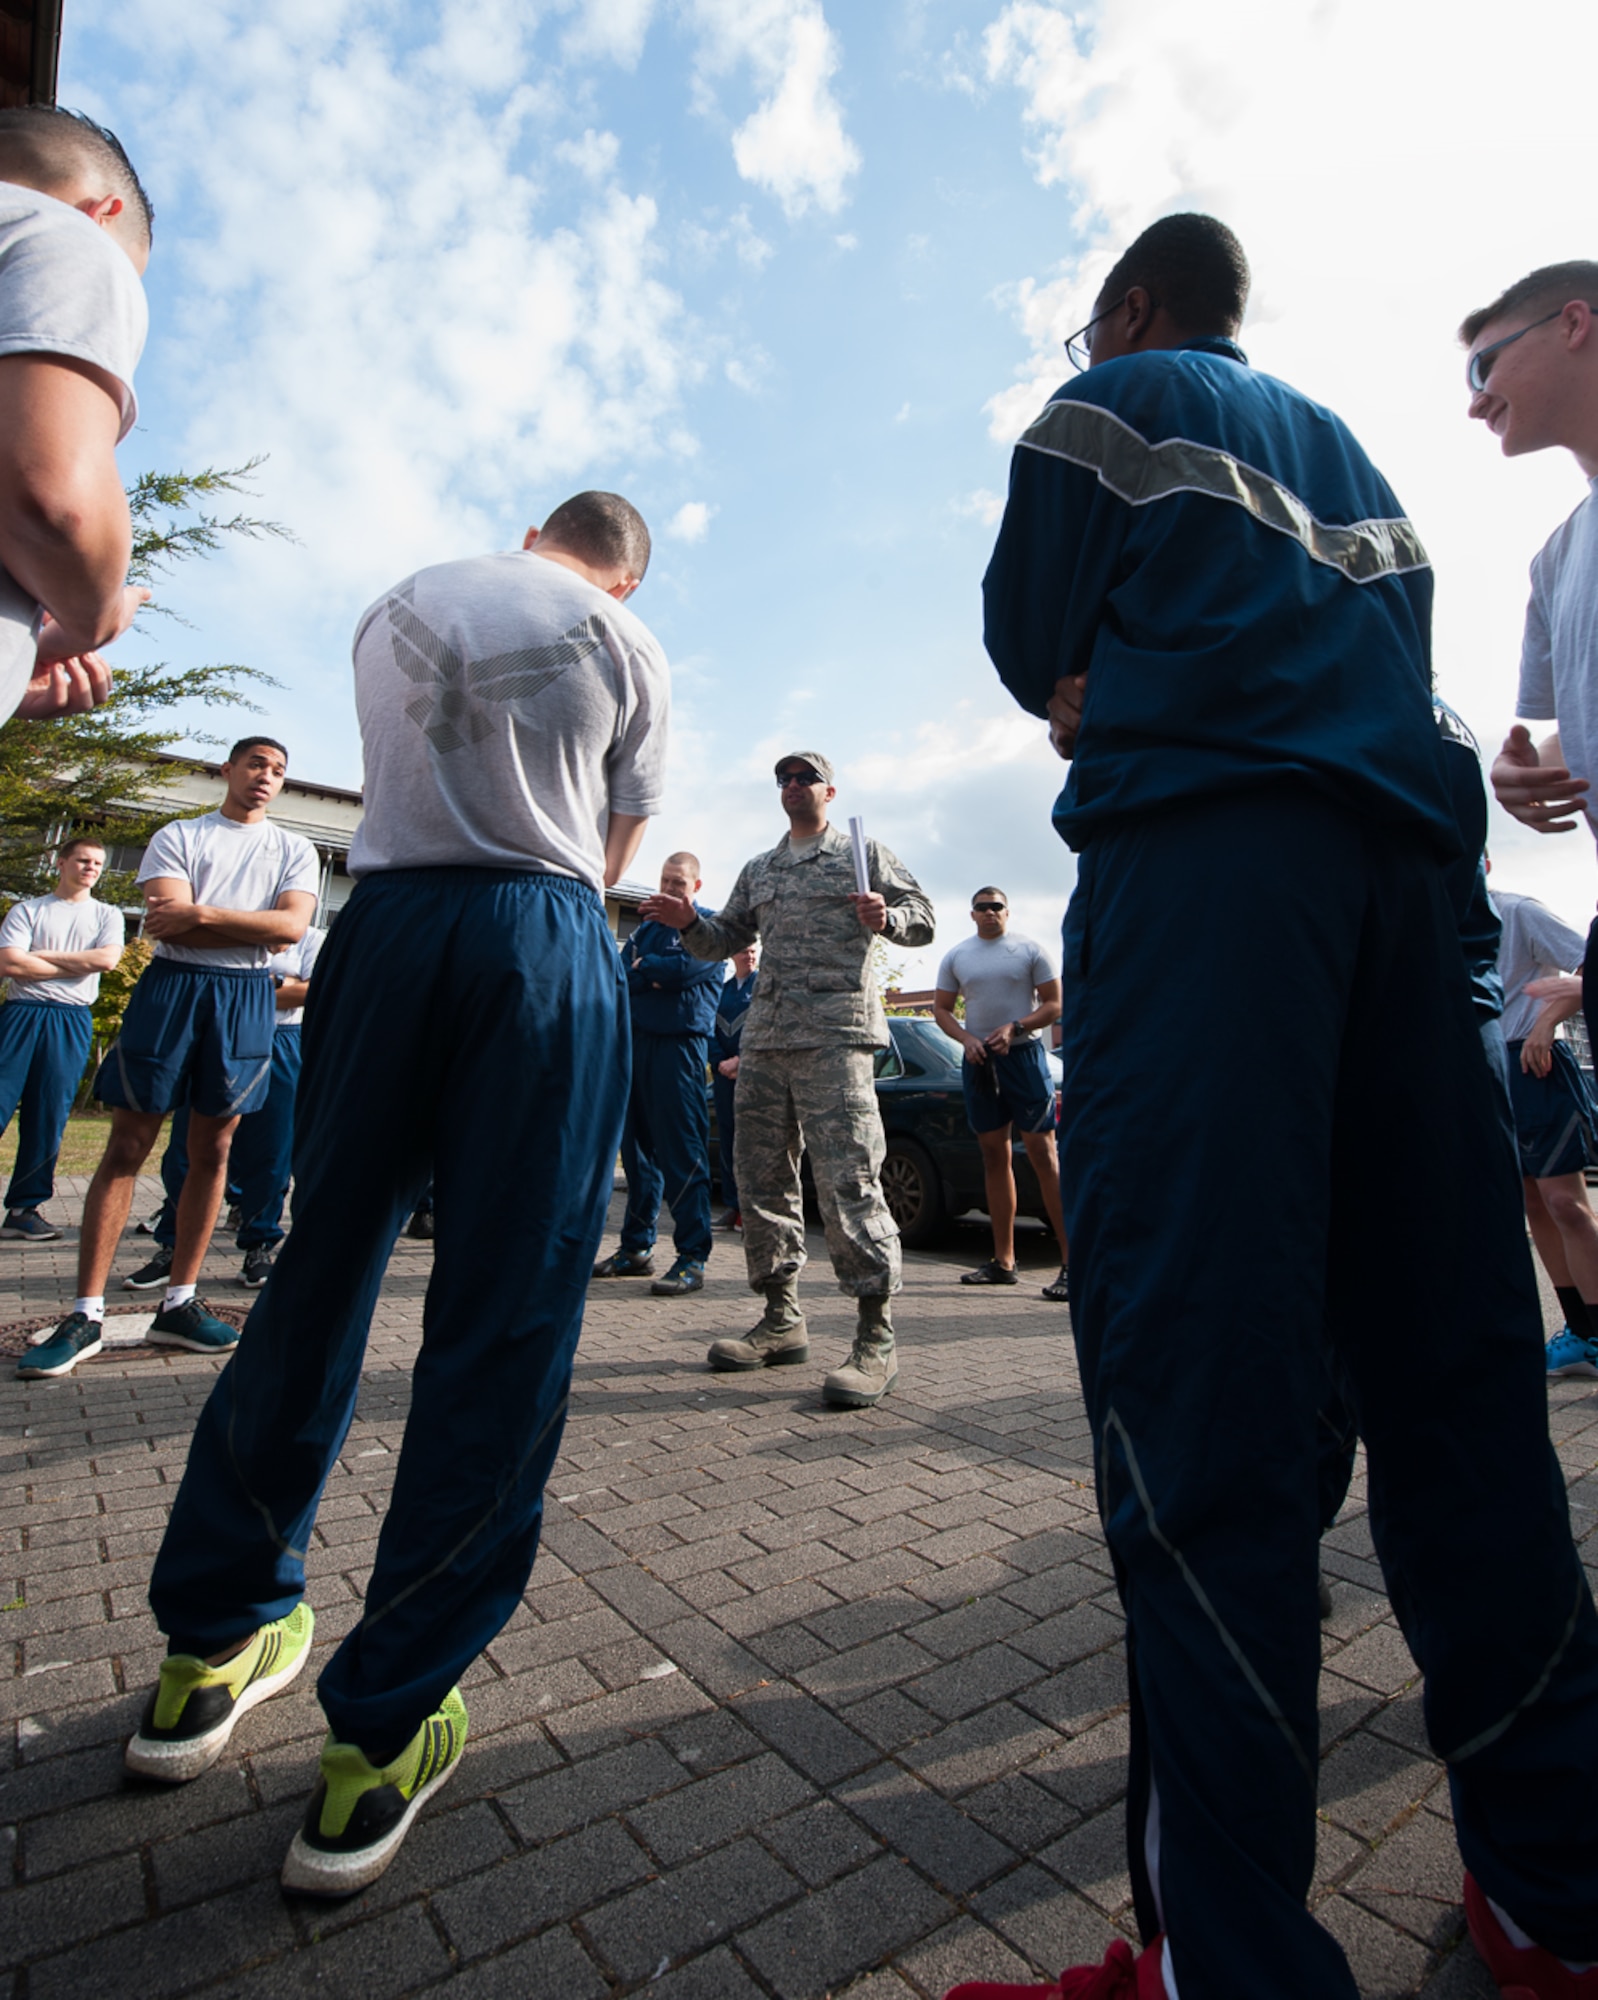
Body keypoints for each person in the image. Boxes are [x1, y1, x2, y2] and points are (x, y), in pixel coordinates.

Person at [964, 214, 1598, 2000]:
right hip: (1407, 909)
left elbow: (1035, 643)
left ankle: (1222, 1966)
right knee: (1460, 1401)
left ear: (1136, 309)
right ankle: (1557, 1896)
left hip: (1212, 884)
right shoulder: (1368, 468)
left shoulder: (1113, 399)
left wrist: (1087, 683)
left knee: (1204, 1414)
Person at [123, 492, 666, 1900]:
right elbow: (604, 852)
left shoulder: (401, 600)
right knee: (505, 1310)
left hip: (390, 925)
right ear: (624, 564)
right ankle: (385, 1728)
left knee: (316, 1275)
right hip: (537, 940)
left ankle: (210, 1648)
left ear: (536, 529)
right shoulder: (627, 638)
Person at [640, 753, 934, 1409]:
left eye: (806, 778)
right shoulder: (762, 868)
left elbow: (923, 915)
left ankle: (875, 1338)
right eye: (785, 780)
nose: (794, 787)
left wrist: (888, 916)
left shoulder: (863, 855)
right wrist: (689, 925)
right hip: (768, 1037)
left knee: (849, 1178)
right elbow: (723, 940)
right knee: (761, 1174)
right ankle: (781, 1319)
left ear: (830, 790)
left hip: (837, 1034)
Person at [19, 739, 318, 1381]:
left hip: (245, 998)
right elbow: (164, 927)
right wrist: (247, 924)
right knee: (128, 1145)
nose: (266, 777)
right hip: (174, 986)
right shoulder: (180, 833)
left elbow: (290, 929)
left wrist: (203, 912)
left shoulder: (293, 849)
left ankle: (179, 1303)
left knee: (215, 1150)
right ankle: (86, 1312)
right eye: (256, 765)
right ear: (228, 770)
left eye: (278, 770)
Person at [1461, 264, 1598, 1055]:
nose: (1474, 400)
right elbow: (1569, 733)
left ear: (1573, 324)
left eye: (1484, 365)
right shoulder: (1555, 560)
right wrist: (1527, 770)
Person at [0, 106, 155, 723]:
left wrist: (16, 667)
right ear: (104, 212)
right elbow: (59, 504)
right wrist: (94, 617)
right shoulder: (65, 233)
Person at [125, 924, 326, 1293]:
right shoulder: (228, 927)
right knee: (188, 1150)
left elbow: (312, 993)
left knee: (270, 1152)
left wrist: (247, 986)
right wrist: (279, 984)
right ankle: (172, 1245)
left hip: (279, 1041)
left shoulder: (309, 938)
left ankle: (259, 1246)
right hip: (218, 1035)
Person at [591, 852, 722, 1296]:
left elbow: (684, 971)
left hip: (680, 1050)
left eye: (679, 883)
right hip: (636, 1045)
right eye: (665, 880)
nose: (669, 889)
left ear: (696, 887)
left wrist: (646, 969)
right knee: (638, 1153)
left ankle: (692, 1256)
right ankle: (636, 1249)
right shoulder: (646, 928)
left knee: (682, 1152)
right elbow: (620, 975)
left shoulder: (708, 928)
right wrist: (648, 973)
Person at [932, 886, 1067, 1298]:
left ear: (1008, 912)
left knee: (1044, 1156)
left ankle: (1072, 1263)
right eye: (982, 907)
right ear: (971, 914)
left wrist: (1015, 1027)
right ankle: (1003, 1261)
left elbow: (1055, 1004)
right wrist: (966, 1041)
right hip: (979, 1062)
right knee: (994, 1156)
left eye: (997, 907)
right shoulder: (957, 955)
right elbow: (940, 1009)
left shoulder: (1029, 950)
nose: (989, 913)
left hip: (1023, 1059)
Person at [1491, 885, 1598, 1379]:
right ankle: (1579, 1332)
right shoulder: (1439, 920)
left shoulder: (1518, 911)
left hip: (1536, 1063)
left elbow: (1587, 968)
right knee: (1533, 1205)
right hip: (1489, 1069)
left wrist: (1545, 1023)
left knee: (1565, 1205)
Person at [0, 835, 122, 1241]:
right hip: (21, 1014)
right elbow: (11, 963)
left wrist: (41, 956)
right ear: (61, 862)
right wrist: (74, 965)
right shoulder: (28, 910)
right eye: (83, 860)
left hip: (71, 1018)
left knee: (49, 1113)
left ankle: (23, 1208)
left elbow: (104, 960)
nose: (90, 868)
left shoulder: (107, 915)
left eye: (98, 864)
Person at [712, 943, 758, 1228]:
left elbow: (767, 1027)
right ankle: (732, 1207)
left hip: (753, 1075)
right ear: (732, 955)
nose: (749, 956)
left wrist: (742, 1061)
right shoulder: (722, 990)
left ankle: (751, 1211)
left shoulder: (764, 986)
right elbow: (707, 1028)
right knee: (728, 1141)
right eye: (744, 951)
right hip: (723, 1077)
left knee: (752, 1143)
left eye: (753, 951)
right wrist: (720, 1062)